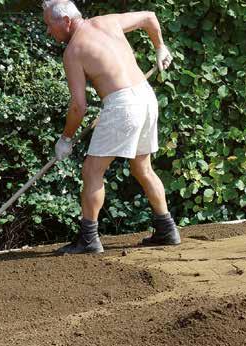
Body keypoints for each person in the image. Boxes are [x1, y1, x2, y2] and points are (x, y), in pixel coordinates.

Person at [42, 0, 181, 254]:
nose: (49, 32)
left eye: (49, 25)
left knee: (92, 171)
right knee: (142, 166)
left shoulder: (73, 51)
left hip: (124, 105)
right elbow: (150, 17)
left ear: (66, 21)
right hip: (146, 98)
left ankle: (88, 239)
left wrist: (65, 138)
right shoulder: (108, 21)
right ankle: (167, 228)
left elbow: (78, 107)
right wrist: (160, 47)